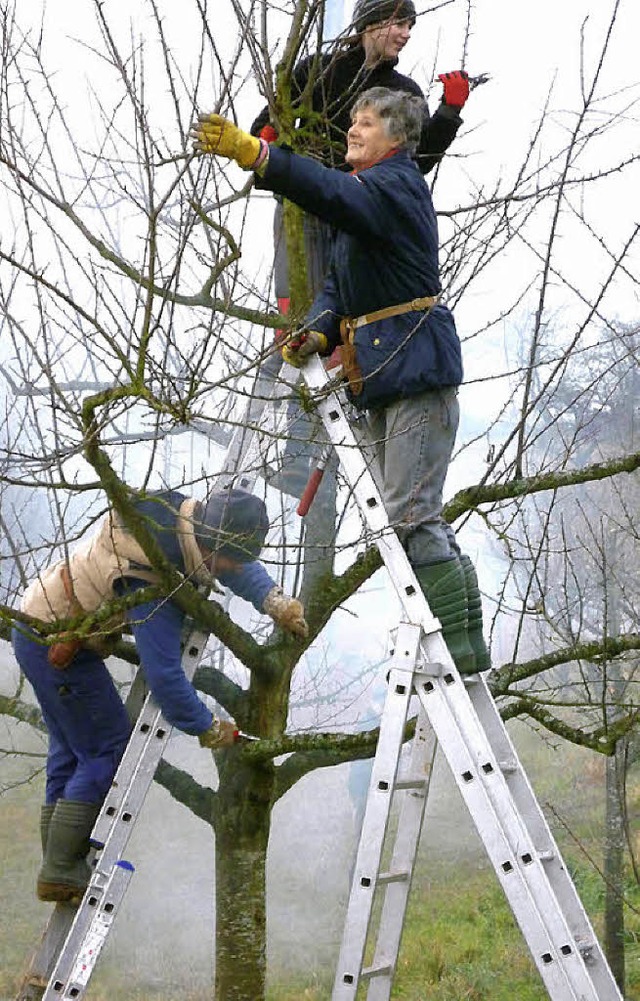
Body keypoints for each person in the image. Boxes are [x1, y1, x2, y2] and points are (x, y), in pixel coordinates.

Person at [191, 87, 491, 679]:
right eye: (352, 119)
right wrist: (320, 332)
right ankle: (460, 638)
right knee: (407, 519)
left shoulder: (395, 186)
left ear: (397, 138)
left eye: (367, 122)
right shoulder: (368, 205)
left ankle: (460, 646)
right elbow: (338, 291)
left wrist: (261, 157)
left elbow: (328, 191)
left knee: (412, 519)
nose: (353, 129)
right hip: (383, 378)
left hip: (414, 375)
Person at [11, 486, 308, 903]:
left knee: (71, 747)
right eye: (230, 561)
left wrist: (273, 599)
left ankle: (57, 868)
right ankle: (61, 867)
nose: (233, 569)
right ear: (211, 545)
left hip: (41, 625)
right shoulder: (152, 578)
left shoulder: (182, 519)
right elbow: (166, 679)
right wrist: (208, 727)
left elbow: (234, 564)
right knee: (108, 748)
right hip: (57, 644)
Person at [250, 0, 472, 495]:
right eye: (398, 22)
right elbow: (269, 121)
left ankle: (313, 442)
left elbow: (417, 161)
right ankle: (295, 447)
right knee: (306, 322)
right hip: (309, 210)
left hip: (360, 210)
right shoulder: (319, 71)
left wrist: (449, 113)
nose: (405, 34)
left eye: (411, 24)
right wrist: (268, 145)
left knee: (342, 323)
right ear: (369, 22)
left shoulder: (402, 93)